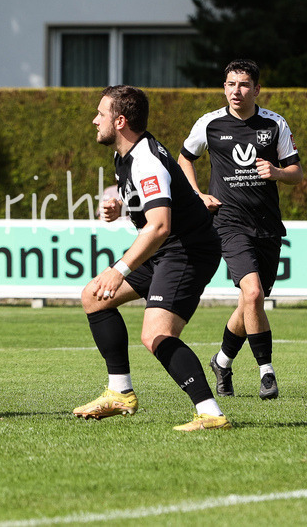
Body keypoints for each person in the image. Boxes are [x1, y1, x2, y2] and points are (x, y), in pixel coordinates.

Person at [75, 85, 229, 431]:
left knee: (155, 334)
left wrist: (120, 269)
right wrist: (122, 205)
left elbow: (159, 227)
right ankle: (119, 393)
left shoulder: (146, 160)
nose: (94, 120)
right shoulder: (125, 154)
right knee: (94, 298)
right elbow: (153, 205)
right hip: (167, 248)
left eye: (101, 113)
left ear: (120, 121)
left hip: (186, 250)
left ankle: (210, 413)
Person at [178, 59, 302, 401]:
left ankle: (221, 361)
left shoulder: (274, 124)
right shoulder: (210, 123)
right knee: (252, 295)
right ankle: (267, 373)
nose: (236, 90)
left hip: (267, 226)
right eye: (231, 84)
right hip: (229, 224)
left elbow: (297, 172)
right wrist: (197, 194)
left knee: (249, 304)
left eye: (244, 84)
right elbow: (184, 157)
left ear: (257, 89)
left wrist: (277, 173)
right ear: (224, 88)